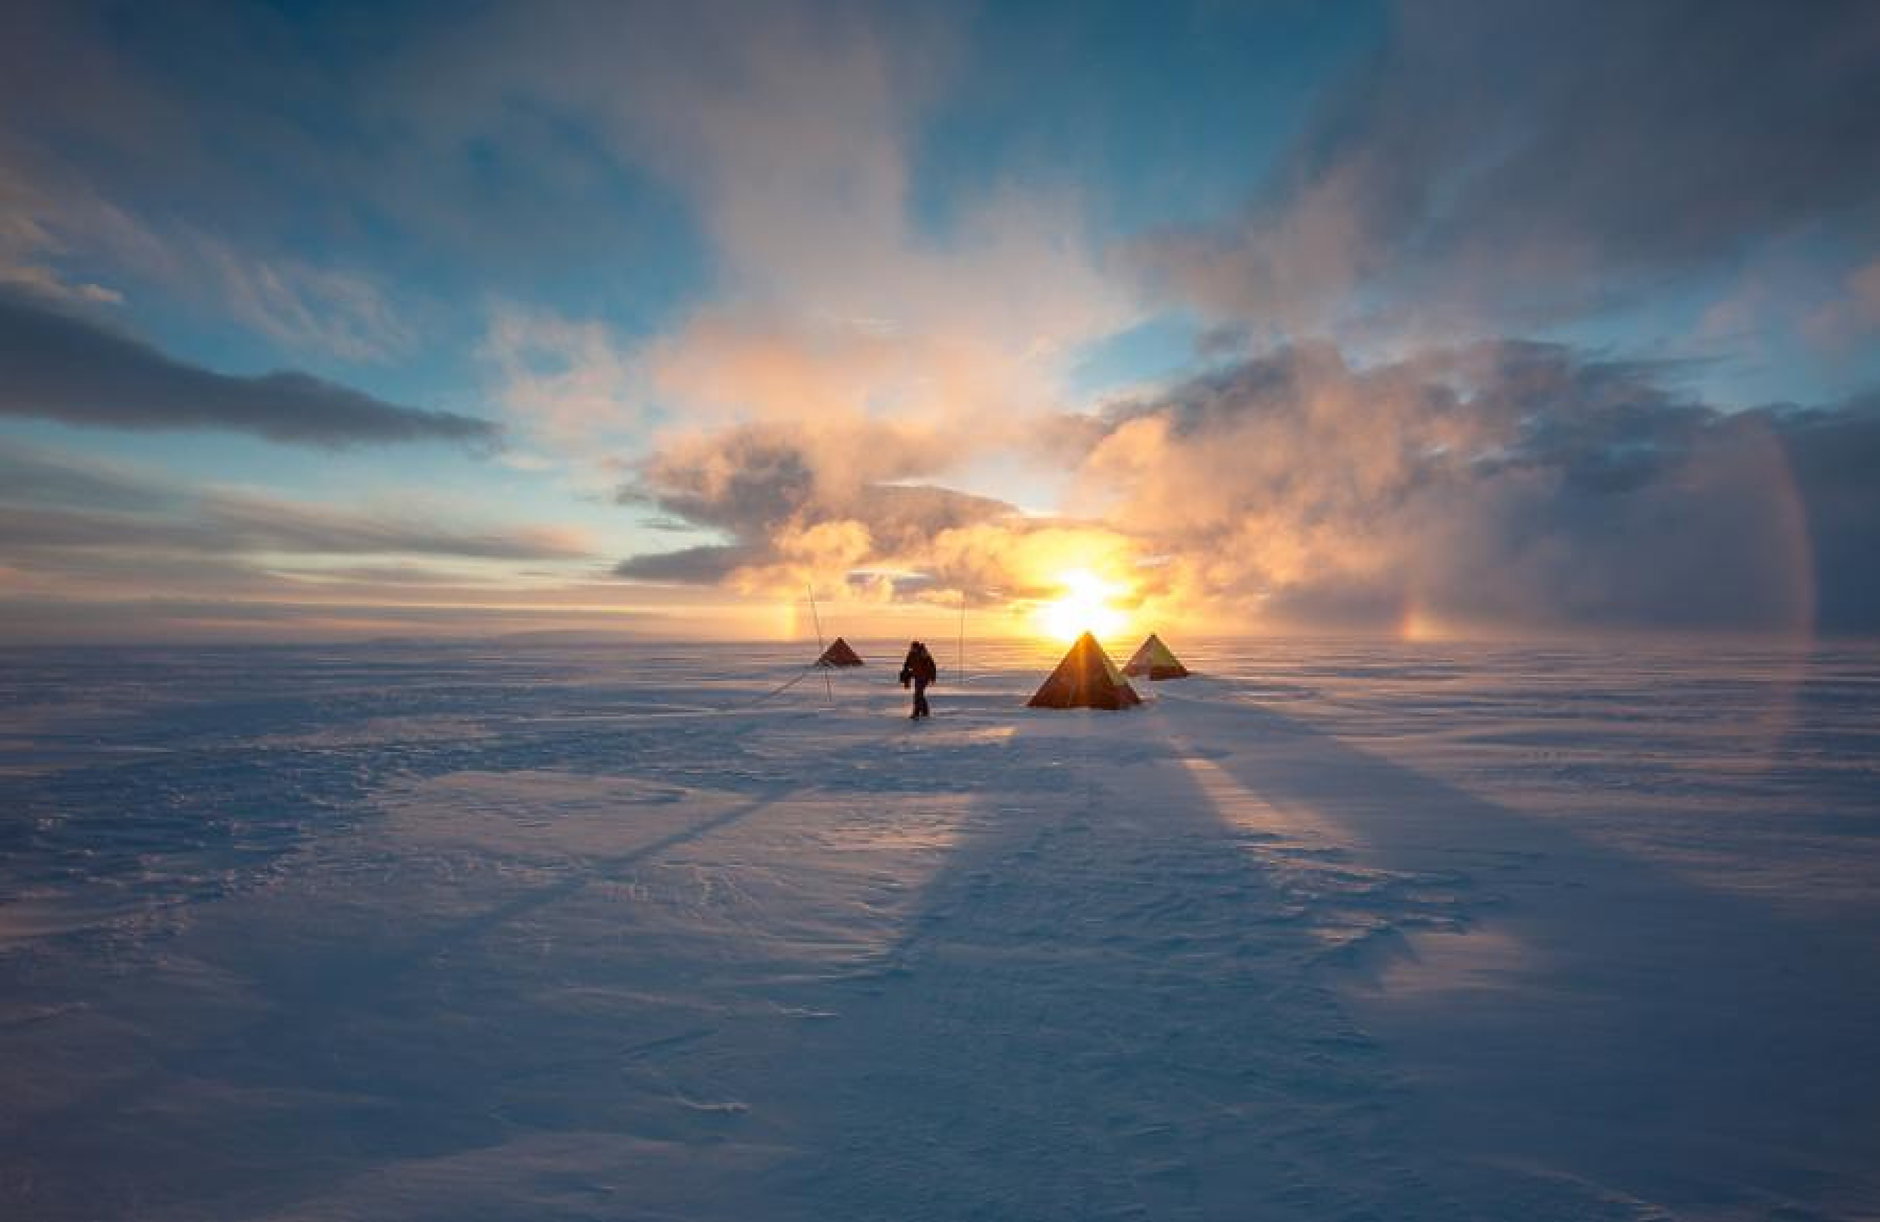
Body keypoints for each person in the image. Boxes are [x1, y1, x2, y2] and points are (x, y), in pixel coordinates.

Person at [899, 640, 938, 719]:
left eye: (914, 648)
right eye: (912, 648)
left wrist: (933, 677)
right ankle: (925, 712)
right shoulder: (911, 654)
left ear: (917, 647)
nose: (912, 649)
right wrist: (906, 675)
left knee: (918, 694)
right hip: (917, 677)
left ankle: (916, 712)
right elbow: (906, 665)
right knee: (920, 694)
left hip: (924, 678)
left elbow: (932, 666)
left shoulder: (923, 654)